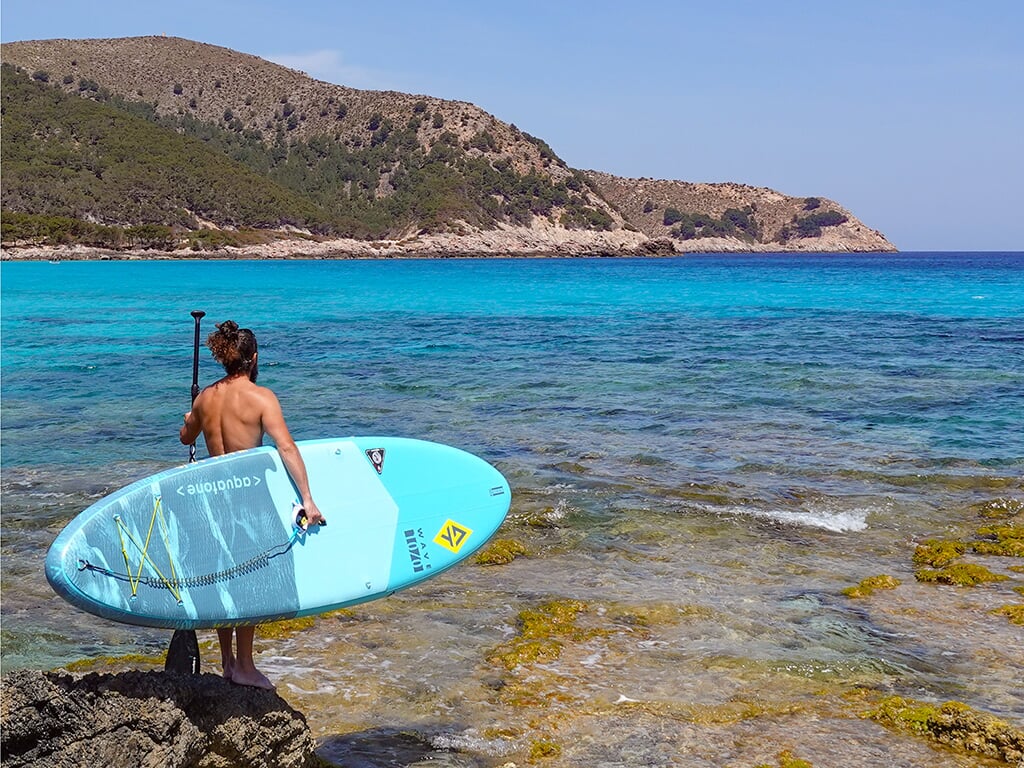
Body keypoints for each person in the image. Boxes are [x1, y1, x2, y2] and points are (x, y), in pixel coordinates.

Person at [179, 320, 324, 689]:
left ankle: (227, 662)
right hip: (247, 502)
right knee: (249, 580)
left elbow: (186, 438)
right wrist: (307, 499)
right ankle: (244, 665)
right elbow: (286, 448)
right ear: (254, 358)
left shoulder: (205, 398)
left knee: (223, 575)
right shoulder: (262, 398)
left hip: (212, 502)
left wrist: (190, 419)